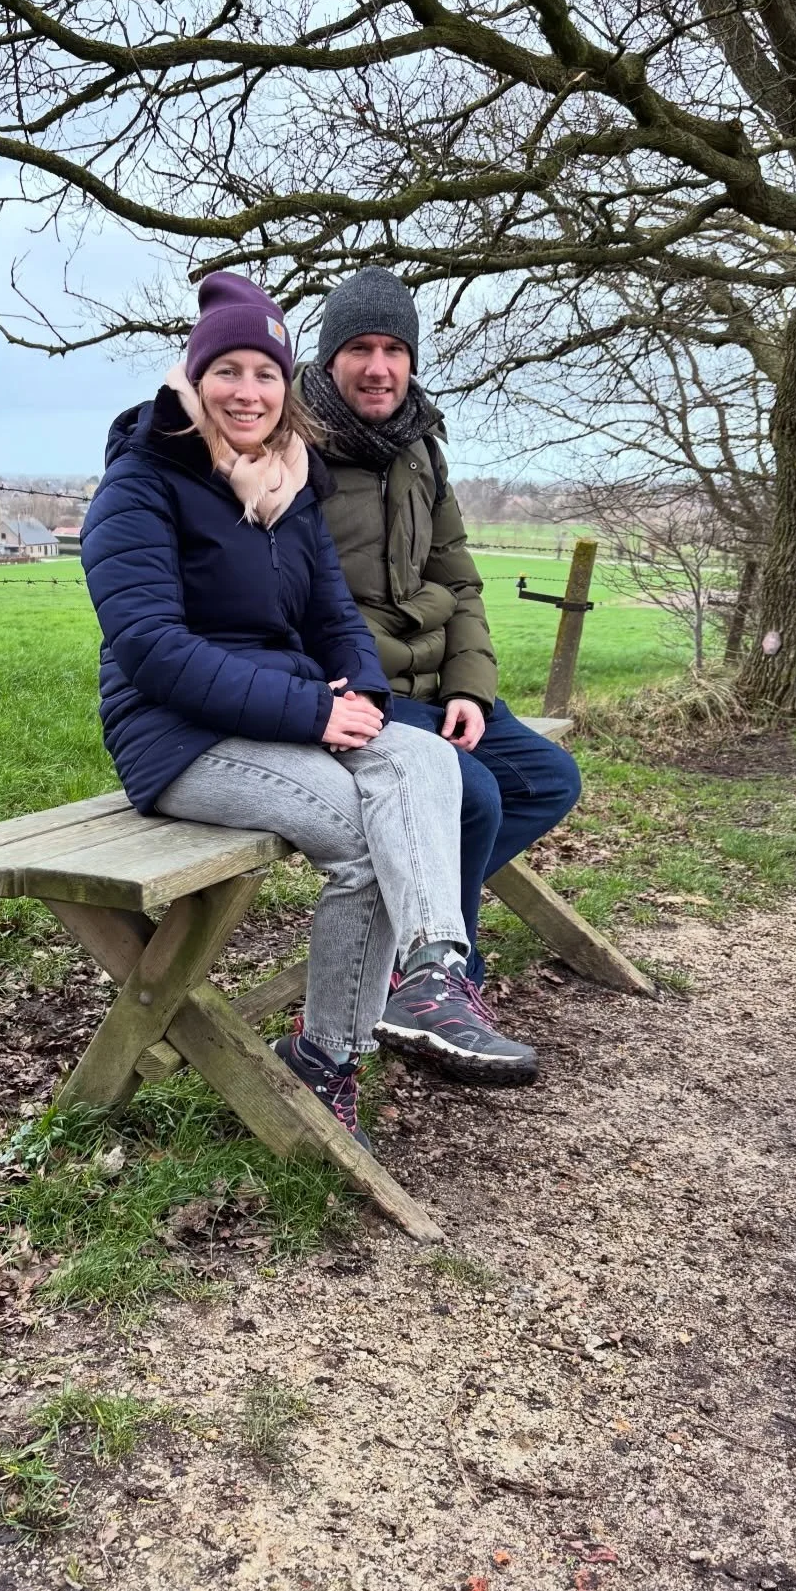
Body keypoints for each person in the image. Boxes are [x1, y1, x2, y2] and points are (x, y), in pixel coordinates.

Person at [80, 273, 538, 1151]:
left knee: (428, 760)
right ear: (193, 378)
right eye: (230, 372)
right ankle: (325, 1062)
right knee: (365, 839)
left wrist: (361, 697)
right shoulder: (141, 484)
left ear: (288, 386)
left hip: (287, 711)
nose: (249, 392)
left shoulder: (290, 485)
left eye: (266, 373)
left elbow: (334, 619)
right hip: (182, 738)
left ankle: (434, 974)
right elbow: (152, 650)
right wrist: (310, 711)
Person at [299, 267, 584, 1018]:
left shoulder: (420, 446)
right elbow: (287, 600)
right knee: (474, 797)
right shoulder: (292, 451)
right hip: (356, 687)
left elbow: (458, 582)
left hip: (433, 682)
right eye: (360, 347)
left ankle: (405, 948)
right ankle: (442, 983)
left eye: (395, 348)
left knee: (548, 780)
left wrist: (469, 688)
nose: (379, 366)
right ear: (330, 357)